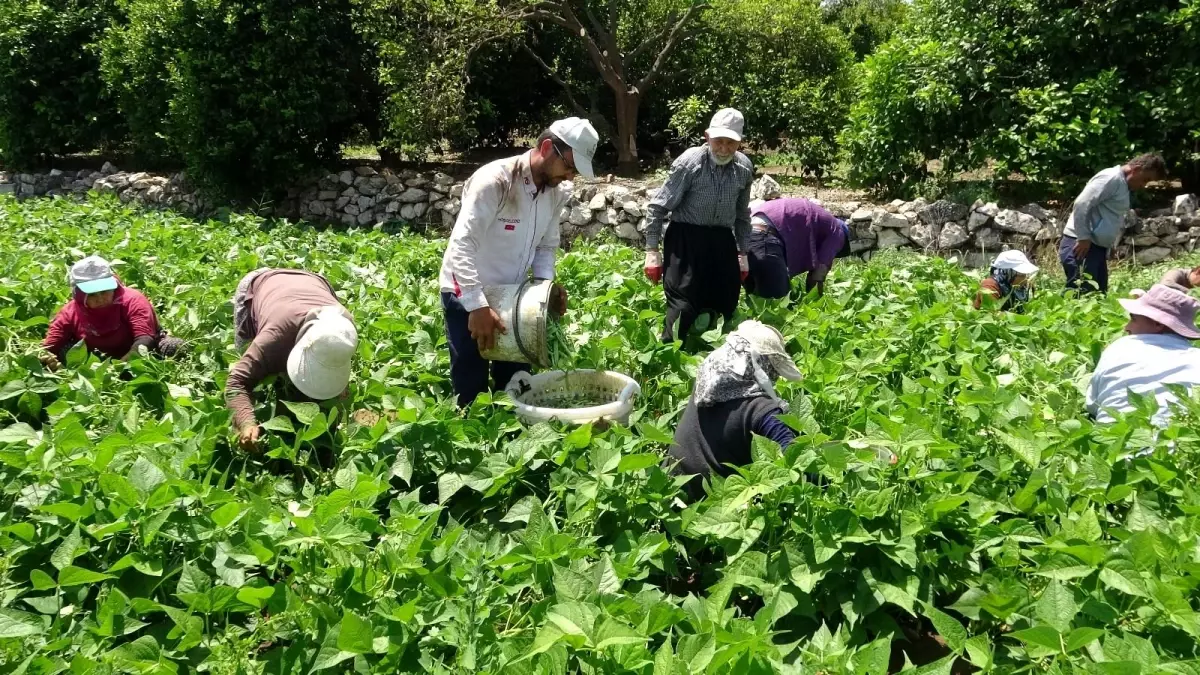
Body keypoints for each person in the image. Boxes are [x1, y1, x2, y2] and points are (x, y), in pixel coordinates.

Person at [439, 117, 596, 406]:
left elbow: (546, 247)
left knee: (516, 382)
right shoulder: (496, 180)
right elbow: (463, 246)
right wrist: (477, 305)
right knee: (470, 382)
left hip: (514, 296)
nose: (571, 177)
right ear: (547, 148)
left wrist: (544, 292)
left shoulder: (557, 191)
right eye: (569, 167)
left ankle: (515, 441)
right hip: (466, 291)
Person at [643, 108, 755, 342]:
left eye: (731, 143)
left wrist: (743, 253)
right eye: (719, 141)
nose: (723, 149)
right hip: (686, 237)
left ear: (740, 143)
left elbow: (742, 215)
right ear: (707, 137)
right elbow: (658, 206)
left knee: (725, 300)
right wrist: (652, 251)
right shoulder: (690, 163)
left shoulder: (744, 168)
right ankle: (668, 355)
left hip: (721, 239)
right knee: (683, 304)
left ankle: (714, 356)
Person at [667, 320, 803, 500]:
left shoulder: (707, 383)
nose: (776, 377)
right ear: (765, 368)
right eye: (775, 371)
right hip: (712, 504)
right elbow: (795, 464)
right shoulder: (762, 410)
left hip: (670, 487)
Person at [226, 268, 358, 450]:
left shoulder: (343, 331)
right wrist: (246, 423)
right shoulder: (274, 337)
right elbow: (236, 382)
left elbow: (336, 369)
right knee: (249, 357)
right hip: (259, 284)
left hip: (316, 281)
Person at [41, 255, 184, 369]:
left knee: (175, 347)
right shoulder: (70, 312)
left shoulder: (132, 300)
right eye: (91, 294)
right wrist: (48, 358)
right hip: (94, 359)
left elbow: (144, 340)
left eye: (104, 291)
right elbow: (50, 345)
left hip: (140, 353)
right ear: (78, 294)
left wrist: (118, 369)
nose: (100, 298)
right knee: (65, 350)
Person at [1087, 284, 1200, 427]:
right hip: (1184, 446)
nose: (1126, 327)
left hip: (1114, 446)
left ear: (1158, 324)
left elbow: (1092, 406)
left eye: (1133, 319)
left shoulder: (1120, 347)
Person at [1060, 153, 1168, 295]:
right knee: (1080, 296)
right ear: (1135, 169)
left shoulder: (1122, 184)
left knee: (1097, 298)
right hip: (1082, 246)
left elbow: (1108, 215)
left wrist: (1109, 245)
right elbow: (1082, 204)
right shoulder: (1110, 178)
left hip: (1095, 248)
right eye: (1145, 179)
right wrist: (1083, 237)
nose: (1143, 185)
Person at [743, 197, 852, 299]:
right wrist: (818, 303)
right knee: (777, 303)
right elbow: (817, 275)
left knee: (756, 299)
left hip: (744, 235)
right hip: (765, 237)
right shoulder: (838, 232)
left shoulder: (822, 221)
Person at [974, 250, 1038, 312]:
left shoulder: (1026, 285)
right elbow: (992, 313)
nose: (1025, 278)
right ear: (1009, 273)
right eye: (1021, 275)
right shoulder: (989, 286)